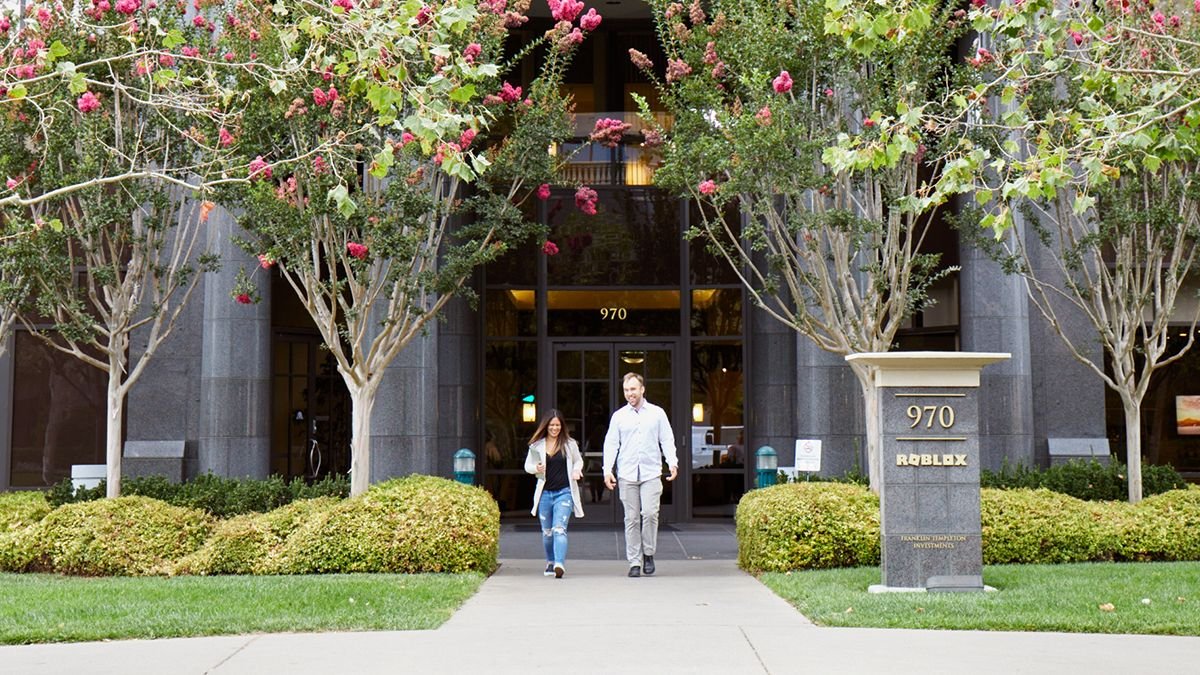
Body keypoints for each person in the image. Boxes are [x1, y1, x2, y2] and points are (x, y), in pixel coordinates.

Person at [603, 372, 678, 577]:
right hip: (627, 474)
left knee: (650, 514)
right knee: (632, 519)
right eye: (626, 390)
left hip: (651, 472)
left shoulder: (657, 413)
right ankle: (634, 562)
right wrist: (607, 470)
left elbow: (667, 440)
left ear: (642, 389)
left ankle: (649, 553)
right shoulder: (619, 416)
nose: (630, 394)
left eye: (633, 389)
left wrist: (672, 462)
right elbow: (611, 444)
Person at [524, 409, 585, 578]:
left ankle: (559, 564)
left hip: (564, 493)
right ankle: (550, 562)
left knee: (559, 529)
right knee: (547, 532)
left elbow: (578, 460)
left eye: (558, 425)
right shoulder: (537, 446)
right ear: (546, 426)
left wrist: (576, 470)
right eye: (552, 425)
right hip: (544, 494)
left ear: (562, 426)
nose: (555, 428)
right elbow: (527, 466)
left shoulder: (569, 444)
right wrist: (535, 468)